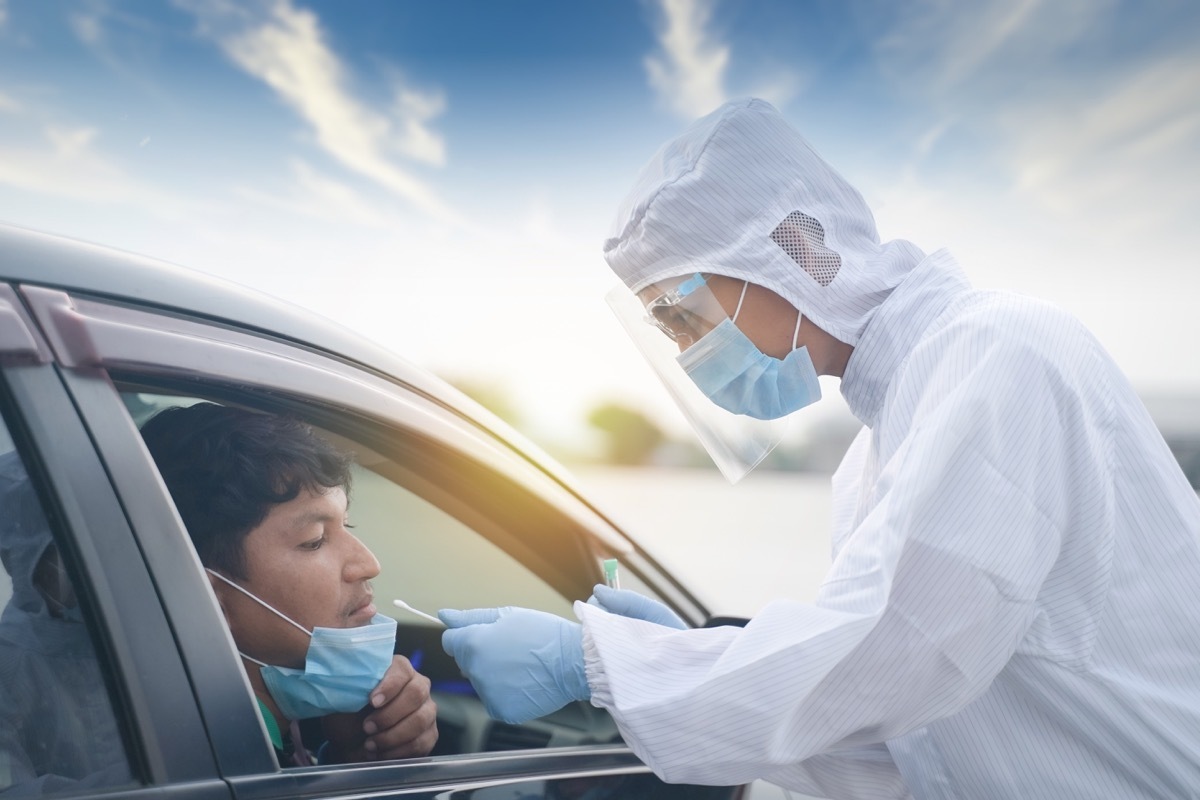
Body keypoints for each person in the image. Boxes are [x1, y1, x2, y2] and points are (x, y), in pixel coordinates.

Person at [438, 98, 1200, 798]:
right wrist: (683, 659)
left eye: (682, 315)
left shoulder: (997, 353)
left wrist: (601, 664)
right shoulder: (875, 453)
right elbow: (899, 743)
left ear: (795, 247)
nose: (686, 353)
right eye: (667, 329)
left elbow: (894, 657)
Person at [140, 403, 437, 766]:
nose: (368, 564)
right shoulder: (197, 761)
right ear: (207, 599)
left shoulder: (246, 737)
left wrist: (354, 757)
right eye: (315, 541)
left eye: (347, 525)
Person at [0, 451, 134, 796]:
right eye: (61, 551)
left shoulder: (138, 631)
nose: (86, 567)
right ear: (15, 557)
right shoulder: (9, 666)